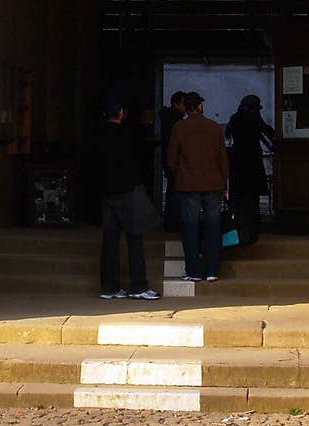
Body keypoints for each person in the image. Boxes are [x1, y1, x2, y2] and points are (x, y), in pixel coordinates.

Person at [94, 93, 161, 301]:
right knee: (135, 238)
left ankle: (109, 287)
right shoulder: (126, 134)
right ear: (121, 113)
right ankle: (138, 285)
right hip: (127, 191)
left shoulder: (97, 135)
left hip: (107, 193)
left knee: (110, 240)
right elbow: (136, 160)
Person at [166, 90, 229, 282]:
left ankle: (192, 271)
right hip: (213, 184)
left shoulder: (179, 127)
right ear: (200, 106)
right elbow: (223, 159)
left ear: (186, 108)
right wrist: (224, 183)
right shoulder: (214, 127)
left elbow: (171, 160)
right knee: (213, 226)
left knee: (190, 227)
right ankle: (212, 271)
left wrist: (180, 176)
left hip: (188, 185)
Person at [225, 94, 275, 247]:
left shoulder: (235, 118)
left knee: (239, 199)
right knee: (253, 199)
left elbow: (228, 135)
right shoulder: (254, 118)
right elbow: (268, 132)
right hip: (253, 163)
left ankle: (239, 229)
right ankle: (252, 230)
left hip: (238, 164)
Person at [159, 90, 186, 232]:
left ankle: (171, 221)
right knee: (175, 192)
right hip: (175, 161)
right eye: (183, 104)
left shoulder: (167, 118)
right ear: (176, 104)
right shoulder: (175, 121)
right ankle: (174, 222)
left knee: (172, 191)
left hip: (170, 160)